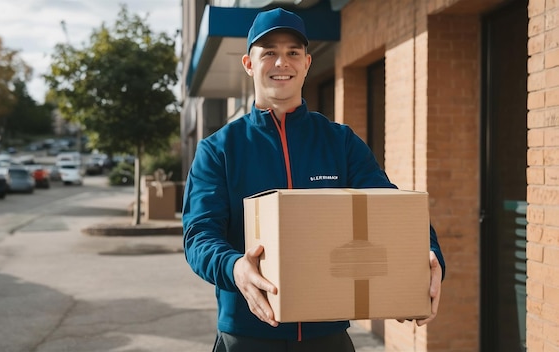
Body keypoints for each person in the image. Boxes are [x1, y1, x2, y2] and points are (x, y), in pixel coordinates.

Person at [182, 7, 446, 352]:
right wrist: (234, 268)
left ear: (307, 63)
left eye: (293, 53)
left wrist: (428, 254)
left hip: (328, 336)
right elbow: (199, 235)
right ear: (249, 64)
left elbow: (390, 207)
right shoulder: (219, 149)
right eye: (269, 53)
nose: (282, 63)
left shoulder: (340, 141)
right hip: (248, 335)